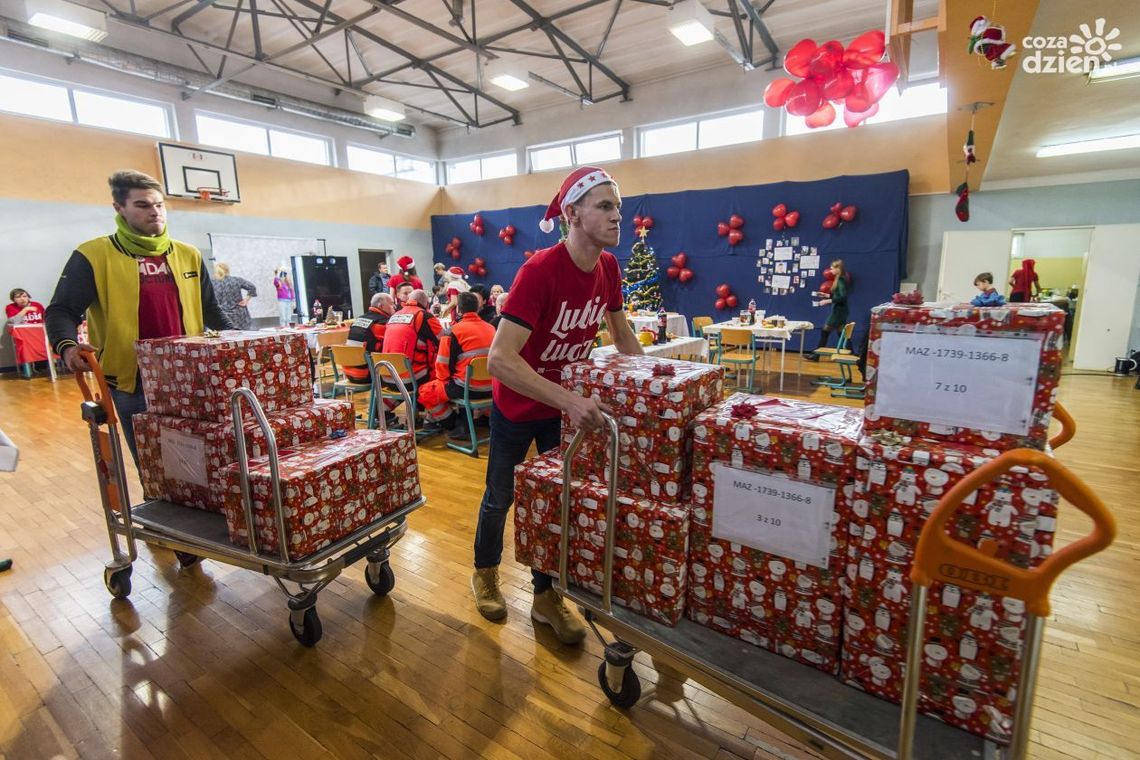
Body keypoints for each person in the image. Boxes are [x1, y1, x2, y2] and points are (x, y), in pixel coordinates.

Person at [470, 166, 642, 645]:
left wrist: (657, 382)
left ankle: (545, 597)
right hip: (519, 408)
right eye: (605, 207)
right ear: (572, 213)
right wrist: (570, 399)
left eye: (619, 208)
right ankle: (484, 572)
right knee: (500, 497)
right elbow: (499, 360)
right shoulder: (540, 271)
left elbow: (622, 334)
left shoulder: (608, 268)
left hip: (562, 410)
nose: (616, 217)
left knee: (555, 504)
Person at [45, 169, 232, 465]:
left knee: (204, 464)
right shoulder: (93, 255)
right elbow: (61, 310)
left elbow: (211, 310)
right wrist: (67, 347)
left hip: (188, 375)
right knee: (155, 465)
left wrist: (243, 341)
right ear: (119, 208)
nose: (155, 212)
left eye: (159, 205)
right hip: (132, 381)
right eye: (143, 205)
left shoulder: (188, 254)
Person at [419, 292, 495, 441]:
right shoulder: (491, 328)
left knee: (425, 392)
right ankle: (482, 418)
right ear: (478, 308)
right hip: (493, 387)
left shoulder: (452, 332)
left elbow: (442, 367)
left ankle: (456, 424)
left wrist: (444, 382)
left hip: (467, 389)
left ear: (458, 309)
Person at [380, 288, 443, 427]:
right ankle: (431, 418)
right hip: (409, 378)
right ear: (426, 304)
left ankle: (382, 412)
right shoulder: (424, 316)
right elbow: (444, 339)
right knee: (440, 378)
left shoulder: (394, 316)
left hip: (386, 375)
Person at [342, 292, 396, 384]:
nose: (394, 306)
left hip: (348, 373)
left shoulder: (357, 320)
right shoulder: (382, 324)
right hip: (367, 374)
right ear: (381, 306)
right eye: (391, 303)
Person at [805, 259, 850, 361]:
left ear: (838, 269)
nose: (831, 270)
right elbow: (838, 295)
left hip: (838, 312)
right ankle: (852, 354)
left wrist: (828, 301)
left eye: (832, 268)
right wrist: (825, 295)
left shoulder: (841, 280)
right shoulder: (839, 279)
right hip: (841, 310)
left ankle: (816, 356)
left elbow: (843, 297)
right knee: (841, 334)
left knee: (825, 332)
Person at [212, 262, 257, 330]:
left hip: (222, 316)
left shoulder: (212, 282)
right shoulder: (236, 280)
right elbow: (252, 287)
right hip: (238, 315)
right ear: (228, 270)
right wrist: (246, 300)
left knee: (225, 338)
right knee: (243, 337)